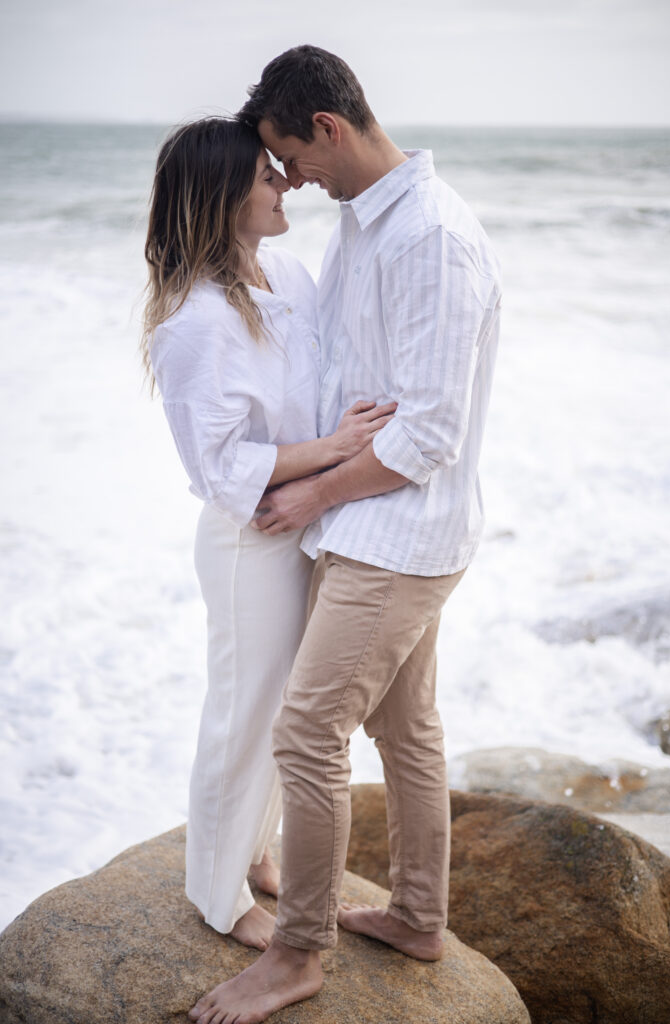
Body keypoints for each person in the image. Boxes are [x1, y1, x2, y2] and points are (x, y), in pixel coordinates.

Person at [188, 47, 501, 1024]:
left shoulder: (430, 237)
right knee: (402, 727)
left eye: (292, 159)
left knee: (305, 730)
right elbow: (344, 381)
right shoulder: (365, 230)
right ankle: (415, 915)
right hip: (372, 523)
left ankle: (294, 955)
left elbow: (428, 434)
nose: (291, 181)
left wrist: (314, 495)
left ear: (327, 127)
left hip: (396, 532)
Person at [141, 117, 396, 953]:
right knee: (244, 713)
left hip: (307, 521)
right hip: (251, 536)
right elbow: (217, 468)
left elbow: (330, 373)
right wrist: (330, 451)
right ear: (221, 197)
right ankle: (215, 893)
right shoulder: (193, 325)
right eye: (265, 175)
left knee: (289, 708)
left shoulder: (284, 272)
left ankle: (251, 853)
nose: (285, 183)